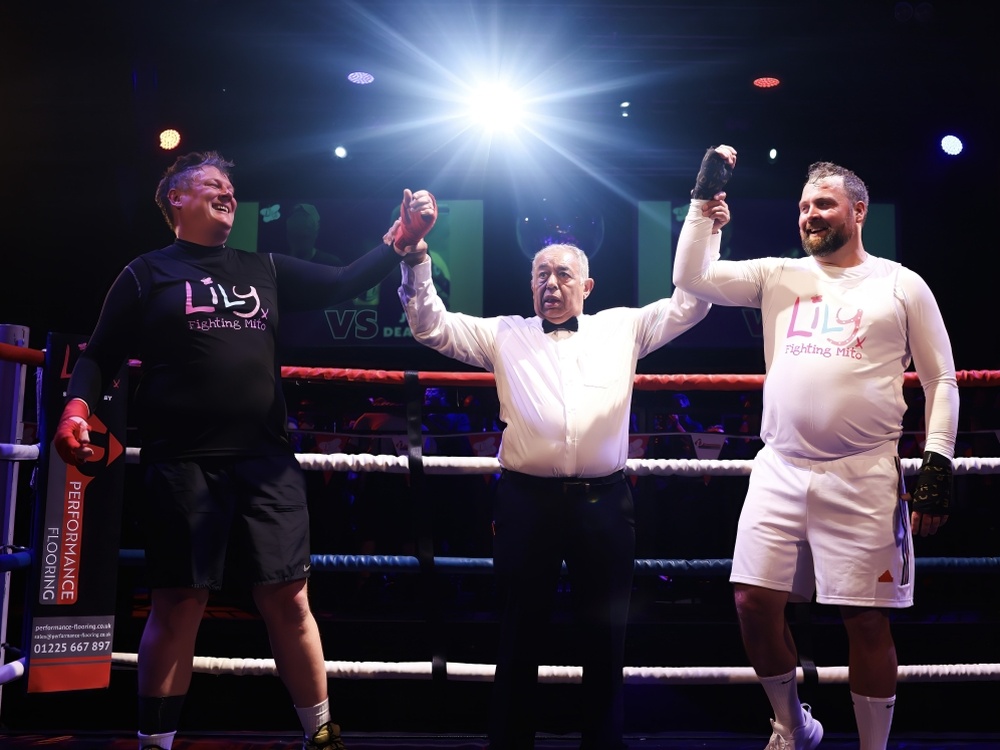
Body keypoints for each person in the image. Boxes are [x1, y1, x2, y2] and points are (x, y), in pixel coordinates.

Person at [51, 150, 436, 750]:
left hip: (265, 459)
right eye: (210, 184)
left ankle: (322, 736)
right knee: (179, 600)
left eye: (230, 185)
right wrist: (77, 408)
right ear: (175, 200)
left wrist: (401, 238)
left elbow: (340, 283)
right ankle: (155, 744)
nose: (226, 191)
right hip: (181, 460)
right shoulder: (146, 273)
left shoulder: (264, 268)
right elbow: (99, 356)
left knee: (289, 595)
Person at [673, 145, 959, 750]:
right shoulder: (780, 274)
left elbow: (941, 380)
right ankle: (792, 723)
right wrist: (703, 205)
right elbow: (692, 277)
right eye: (805, 206)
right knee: (752, 602)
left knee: (865, 618)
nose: (811, 214)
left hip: (864, 475)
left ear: (859, 211)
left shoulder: (901, 284)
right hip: (779, 466)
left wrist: (937, 462)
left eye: (824, 204)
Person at [397, 236, 712, 749]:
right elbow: (429, 325)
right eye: (541, 274)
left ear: (586, 286)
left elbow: (691, 304)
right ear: (530, 286)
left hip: (605, 503)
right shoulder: (504, 334)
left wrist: (705, 223)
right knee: (518, 636)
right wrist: (414, 259)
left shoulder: (623, 327)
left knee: (606, 641)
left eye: (563, 274)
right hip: (527, 502)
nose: (550, 283)